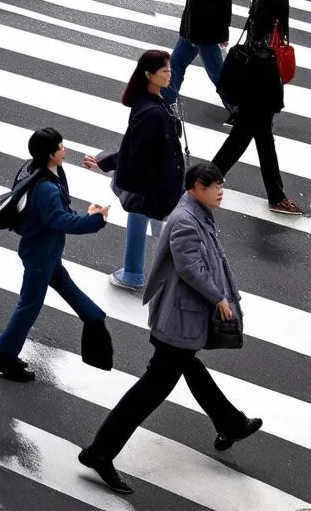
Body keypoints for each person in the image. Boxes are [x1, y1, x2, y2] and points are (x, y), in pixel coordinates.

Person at [78, 163, 262, 495]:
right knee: (150, 391)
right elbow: (191, 267)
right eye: (215, 185)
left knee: (187, 367)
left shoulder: (197, 211)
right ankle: (99, 452)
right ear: (196, 188)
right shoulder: (187, 222)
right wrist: (219, 298)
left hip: (180, 318)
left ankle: (230, 422)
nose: (221, 191)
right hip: (178, 319)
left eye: (222, 184)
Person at [0, 128, 109, 382]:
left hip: (45, 251)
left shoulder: (37, 170)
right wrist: (95, 219)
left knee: (65, 289)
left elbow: (59, 210)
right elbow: (61, 220)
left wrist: (87, 214)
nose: (65, 149)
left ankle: (94, 317)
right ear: (52, 154)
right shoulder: (46, 189)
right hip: (40, 254)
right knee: (29, 306)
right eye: (61, 146)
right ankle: (2, 355)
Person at [212, 0, 302, 214]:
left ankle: (206, 179)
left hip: (259, 75)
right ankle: (275, 195)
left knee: (245, 134)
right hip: (265, 75)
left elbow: (258, 31)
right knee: (260, 135)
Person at [82, 50, 185, 291]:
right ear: (149, 74)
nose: (170, 74)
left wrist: (106, 164)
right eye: (164, 71)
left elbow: (134, 148)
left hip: (156, 183)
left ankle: (137, 274)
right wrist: (107, 164)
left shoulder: (149, 104)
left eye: (170, 69)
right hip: (159, 182)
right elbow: (136, 150)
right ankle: (138, 274)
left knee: (161, 229)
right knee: (163, 229)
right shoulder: (153, 111)